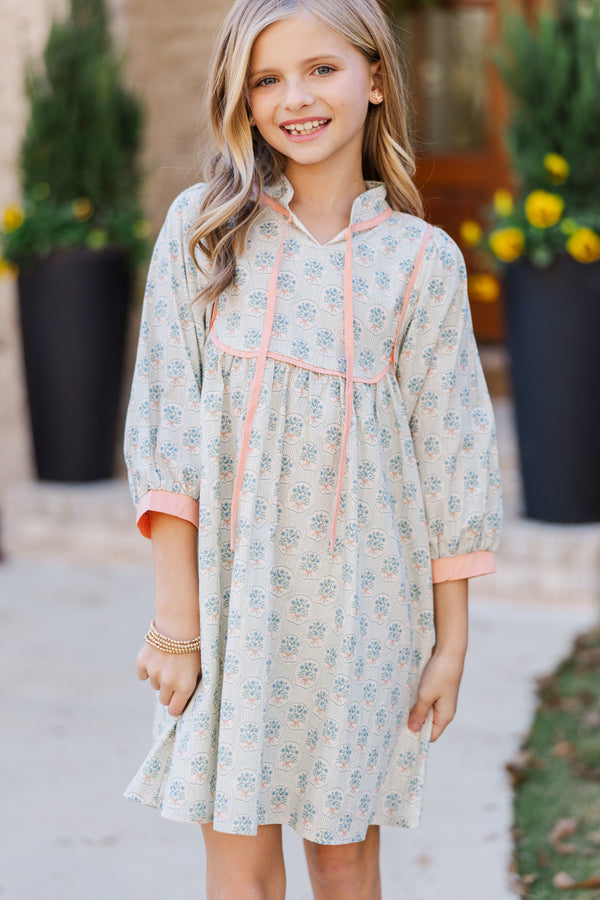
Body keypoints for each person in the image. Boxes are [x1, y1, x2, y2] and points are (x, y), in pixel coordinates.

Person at [123, 0, 502, 896]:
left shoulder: (421, 262)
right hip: (230, 605)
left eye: (321, 69)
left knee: (344, 859)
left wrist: (450, 646)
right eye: (266, 79)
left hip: (367, 610)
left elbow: (452, 455)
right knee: (241, 863)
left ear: (376, 79)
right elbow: (168, 427)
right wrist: (177, 626)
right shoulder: (205, 230)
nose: (294, 97)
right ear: (243, 101)